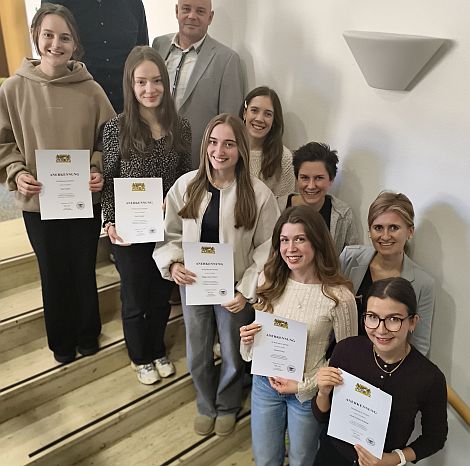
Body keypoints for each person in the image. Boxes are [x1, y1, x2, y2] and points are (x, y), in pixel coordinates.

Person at [0, 3, 115, 363]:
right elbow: (4, 142)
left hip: (82, 200)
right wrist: (17, 172)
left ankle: (88, 332)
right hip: (38, 202)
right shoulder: (13, 89)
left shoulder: (92, 91)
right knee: (52, 270)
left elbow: (110, 140)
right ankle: (61, 339)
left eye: (64, 37)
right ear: (36, 37)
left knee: (82, 266)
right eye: (48, 35)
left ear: (75, 43)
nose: (55, 44)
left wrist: (97, 168)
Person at [154, 113, 280, 437]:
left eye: (228, 144)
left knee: (233, 349)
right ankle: (205, 402)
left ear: (241, 149)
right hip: (194, 283)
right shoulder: (185, 186)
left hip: (234, 288)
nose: (219, 151)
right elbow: (169, 234)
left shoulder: (259, 194)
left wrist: (246, 290)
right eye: (213, 142)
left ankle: (227, 403)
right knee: (197, 349)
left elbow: (268, 248)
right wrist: (174, 264)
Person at [240, 205, 358, 466]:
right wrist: (247, 341)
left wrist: (305, 386)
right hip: (265, 385)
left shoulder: (339, 296)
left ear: (317, 242)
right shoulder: (268, 279)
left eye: (300, 239)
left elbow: (348, 361)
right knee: (264, 459)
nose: (290, 248)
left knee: (302, 460)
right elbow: (256, 344)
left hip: (306, 394)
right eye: (284, 240)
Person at [101, 46, 191, 385]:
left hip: (166, 229)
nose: (149, 89)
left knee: (160, 294)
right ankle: (140, 357)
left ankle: (158, 349)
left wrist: (175, 203)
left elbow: (187, 178)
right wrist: (110, 220)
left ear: (165, 83)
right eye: (141, 82)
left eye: (156, 81)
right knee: (135, 296)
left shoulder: (181, 127)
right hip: (130, 230)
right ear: (131, 84)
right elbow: (108, 181)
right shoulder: (116, 128)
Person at [313, 277, 447, 465]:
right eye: (372, 317)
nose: (381, 330)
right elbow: (322, 416)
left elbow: (435, 438)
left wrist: (394, 458)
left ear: (413, 322)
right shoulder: (346, 350)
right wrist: (323, 393)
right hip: (332, 456)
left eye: (394, 319)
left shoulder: (429, 377)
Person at [340, 192, 435, 356]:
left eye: (394, 228)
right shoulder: (349, 258)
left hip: (388, 364)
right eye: (378, 228)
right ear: (369, 231)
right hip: (344, 355)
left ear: (410, 231)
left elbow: (419, 344)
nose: (385, 236)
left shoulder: (423, 283)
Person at [152, 0, 244, 167]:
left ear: (210, 17)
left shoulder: (227, 60)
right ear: (177, 11)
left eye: (200, 11)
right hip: (154, 154)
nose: (192, 16)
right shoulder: (158, 45)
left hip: (198, 160)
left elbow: (230, 123)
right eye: (186, 9)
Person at [43, 0, 149, 112]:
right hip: (78, 106)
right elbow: (48, 50)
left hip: (130, 107)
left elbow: (142, 54)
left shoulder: (133, 3)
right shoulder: (57, 3)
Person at [287, 142, 359, 253]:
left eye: (319, 178)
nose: (311, 186)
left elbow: (351, 257)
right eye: (305, 178)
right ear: (297, 179)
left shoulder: (343, 214)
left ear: (331, 179)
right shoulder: (278, 207)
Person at [239, 86, 295, 210]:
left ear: (274, 120)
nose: (259, 119)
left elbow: (283, 209)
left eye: (268, 114)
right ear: (244, 113)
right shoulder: (227, 148)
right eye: (254, 110)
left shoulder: (284, 158)